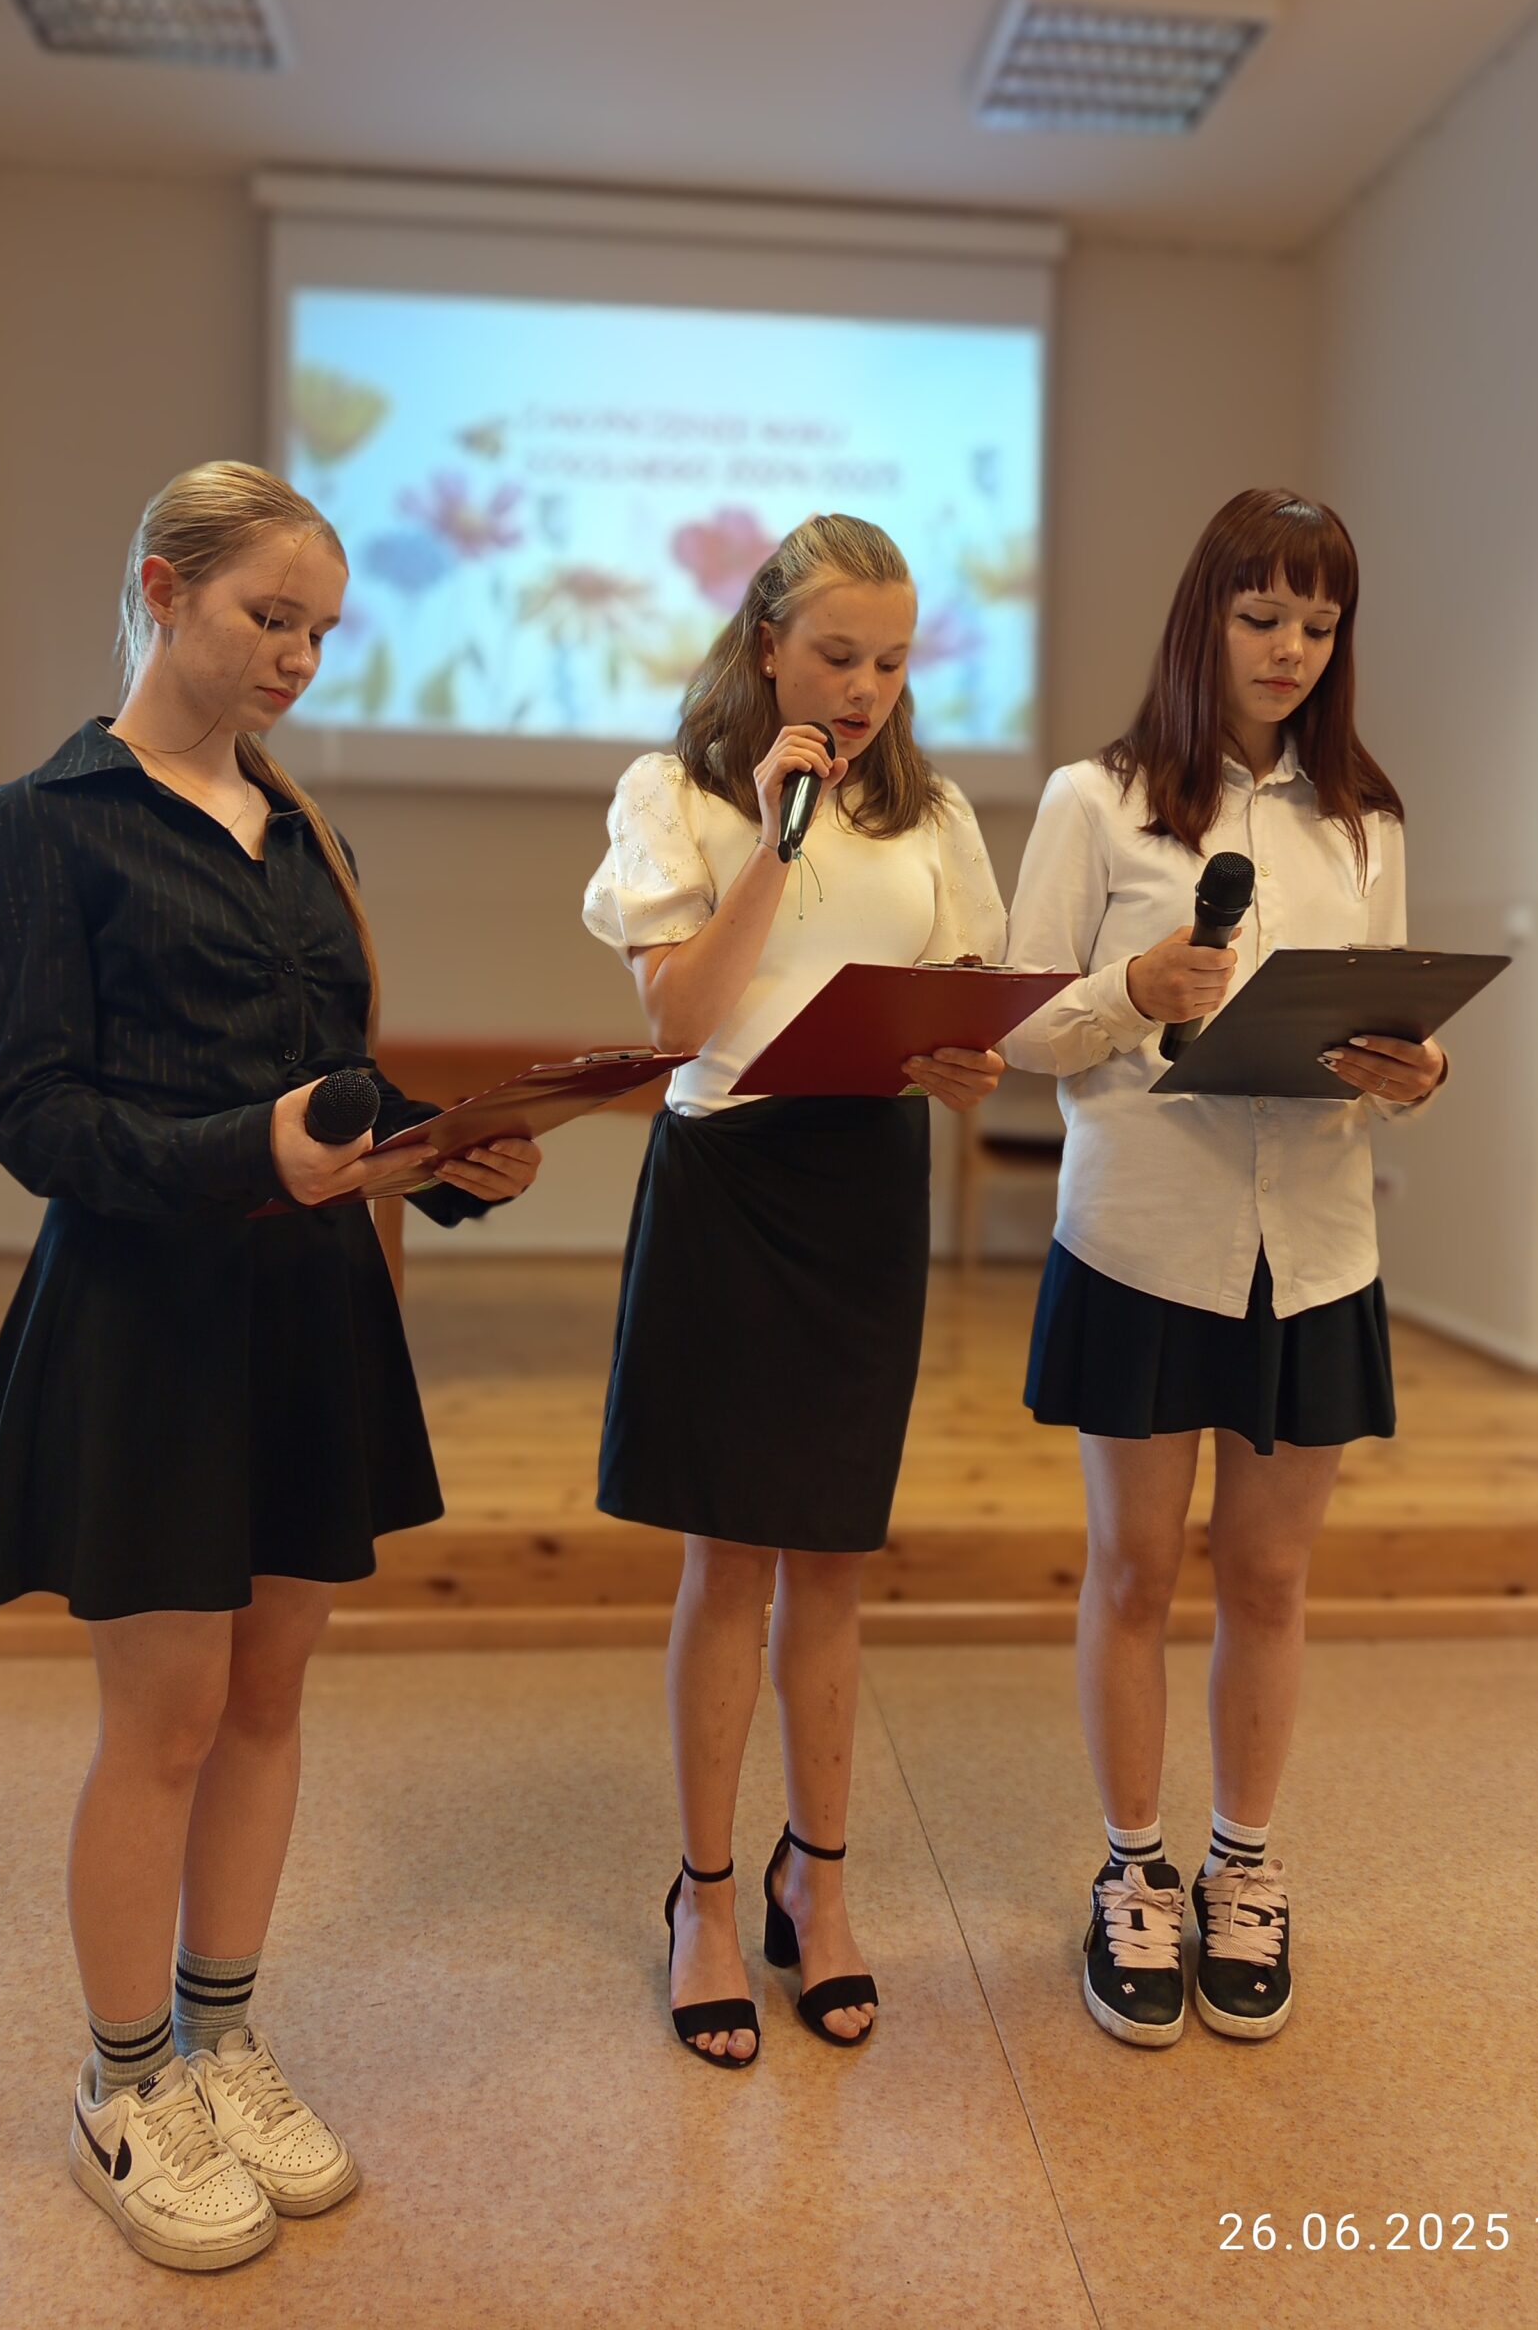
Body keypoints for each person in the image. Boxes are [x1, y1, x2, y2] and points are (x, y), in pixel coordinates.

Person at [0, 462, 541, 2270]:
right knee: (168, 1720)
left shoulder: (304, 830)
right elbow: (37, 1118)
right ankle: (123, 2084)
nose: (296, 657)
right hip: (148, 1316)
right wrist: (249, 1157)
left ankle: (222, 2042)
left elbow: (324, 1082)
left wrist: (447, 1154)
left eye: (320, 632)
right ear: (162, 587)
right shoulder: (40, 826)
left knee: (270, 1700)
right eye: (267, 617)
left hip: (307, 1312)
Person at [1002, 488, 1446, 2050]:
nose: (1289, 650)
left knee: (1268, 1578)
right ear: (1206, 618)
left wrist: (1414, 1069)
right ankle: (1133, 1870)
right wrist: (1129, 988)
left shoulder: (1364, 820)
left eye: (1319, 625)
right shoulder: (1095, 801)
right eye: (1262, 617)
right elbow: (1017, 1027)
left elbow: (1389, 1011)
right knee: (1136, 1570)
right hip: (1144, 1233)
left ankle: (1242, 1865)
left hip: (1312, 1245)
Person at [583, 513, 1007, 2066]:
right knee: (729, 1562)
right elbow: (681, 1022)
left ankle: (815, 1882)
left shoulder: (934, 811)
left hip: (865, 1182)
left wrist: (963, 1059)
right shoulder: (673, 793)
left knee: (831, 1562)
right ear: (765, 645)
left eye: (892, 660)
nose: (866, 688)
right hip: (731, 1180)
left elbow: (967, 1006)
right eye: (836, 655)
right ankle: (703, 1897)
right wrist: (777, 834)